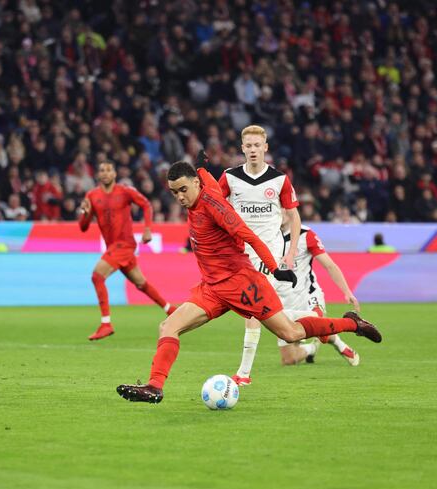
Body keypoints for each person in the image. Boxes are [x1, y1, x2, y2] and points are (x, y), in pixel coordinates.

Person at [116, 161, 382, 404]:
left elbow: (250, 237)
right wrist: (202, 165)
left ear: (195, 184)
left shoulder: (216, 207)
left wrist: (276, 269)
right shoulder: (201, 185)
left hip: (242, 283)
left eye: (183, 190)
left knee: (290, 333)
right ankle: (155, 387)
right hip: (212, 287)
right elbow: (206, 176)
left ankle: (353, 324)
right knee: (168, 326)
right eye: (174, 192)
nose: (179, 197)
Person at [217, 125, 302, 386]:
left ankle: (243, 373)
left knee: (254, 309)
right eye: (248, 146)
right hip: (240, 255)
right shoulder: (230, 178)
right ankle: (324, 333)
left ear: (265, 148)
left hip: (270, 255)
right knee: (274, 315)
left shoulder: (279, 180)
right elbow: (214, 208)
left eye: (257, 145)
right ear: (242, 148)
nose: (253, 150)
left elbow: (294, 217)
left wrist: (290, 253)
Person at [78, 161, 176, 340]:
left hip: (124, 245)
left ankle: (106, 324)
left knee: (97, 276)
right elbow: (83, 227)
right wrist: (85, 214)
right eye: (102, 170)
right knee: (141, 283)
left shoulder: (125, 191)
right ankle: (171, 309)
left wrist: (147, 229)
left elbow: (146, 204)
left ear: (114, 174)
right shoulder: (92, 196)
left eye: (109, 169)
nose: (105, 173)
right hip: (114, 247)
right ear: (98, 175)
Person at [270, 221, 362, 367]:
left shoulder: (306, 234)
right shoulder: (267, 234)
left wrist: (347, 292)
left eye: (281, 206)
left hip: (308, 297)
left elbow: (329, 265)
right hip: (283, 304)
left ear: (290, 211)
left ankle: (341, 345)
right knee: (288, 359)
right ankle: (312, 348)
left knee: (321, 330)